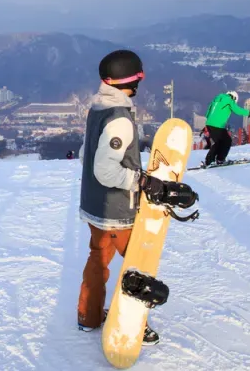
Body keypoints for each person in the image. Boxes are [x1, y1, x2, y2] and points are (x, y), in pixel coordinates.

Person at [76, 49, 198, 346]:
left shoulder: (97, 109)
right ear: (131, 81)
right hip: (117, 210)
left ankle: (88, 316)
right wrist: (141, 181)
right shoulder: (119, 119)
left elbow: (85, 155)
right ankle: (131, 322)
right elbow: (105, 170)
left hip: (94, 207)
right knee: (138, 264)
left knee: (97, 259)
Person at [203, 91, 250, 167]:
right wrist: (249, 112)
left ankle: (209, 160)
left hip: (209, 123)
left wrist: (209, 122)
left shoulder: (217, 99)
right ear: (234, 98)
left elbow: (208, 112)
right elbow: (237, 110)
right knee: (227, 141)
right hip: (218, 125)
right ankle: (219, 160)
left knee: (219, 142)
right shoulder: (229, 100)